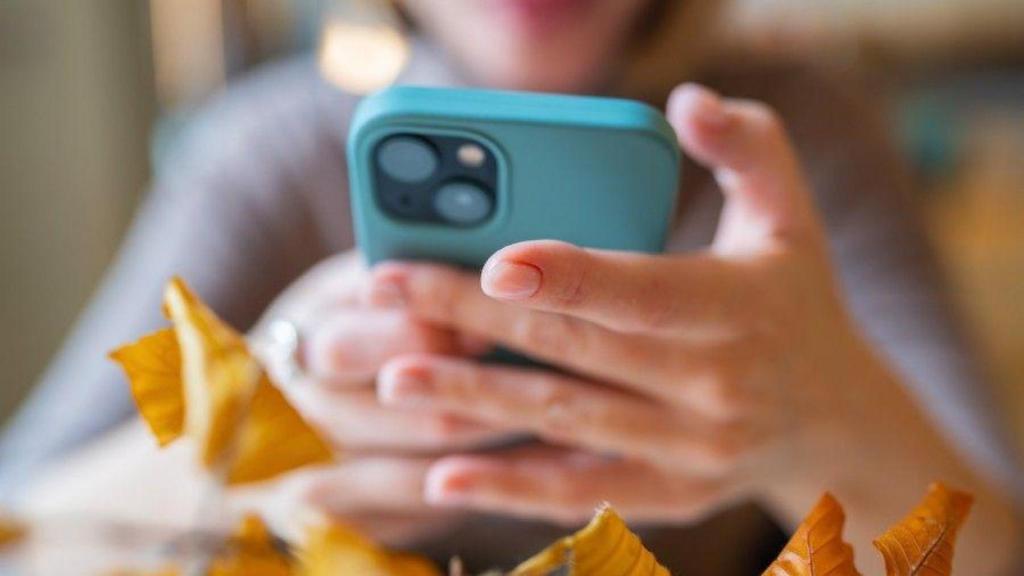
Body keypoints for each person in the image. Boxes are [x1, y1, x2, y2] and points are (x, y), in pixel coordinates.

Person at [1, 0, 1021, 573]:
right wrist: (239, 433)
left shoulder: (798, 136)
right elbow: (19, 522)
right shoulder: (265, 151)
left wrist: (822, 420)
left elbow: (997, 548)